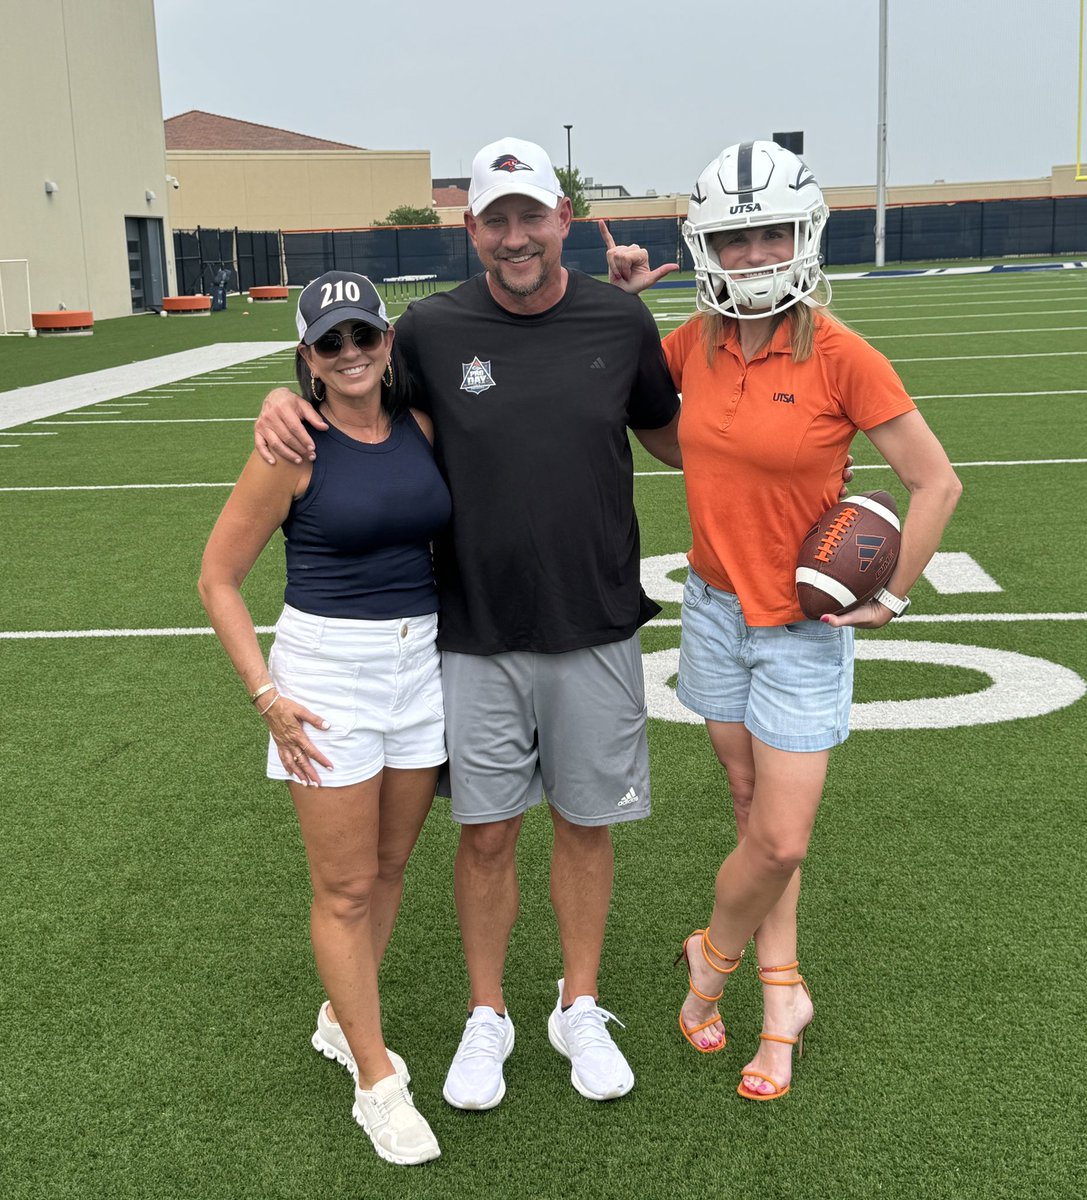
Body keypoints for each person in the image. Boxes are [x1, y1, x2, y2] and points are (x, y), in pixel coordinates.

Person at [254, 137, 684, 1109]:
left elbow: (670, 434)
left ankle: (578, 1005)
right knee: (485, 837)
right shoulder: (432, 332)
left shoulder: (619, 316)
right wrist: (280, 397)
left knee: (584, 827)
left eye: (532, 214)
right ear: (472, 231)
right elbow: (350, 393)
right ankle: (485, 1016)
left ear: (562, 220)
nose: (516, 235)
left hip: (598, 624)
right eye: (497, 219)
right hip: (474, 634)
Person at [604, 140, 962, 1100]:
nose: (754, 254)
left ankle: (711, 957)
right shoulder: (693, 343)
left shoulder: (842, 355)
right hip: (715, 610)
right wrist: (631, 305)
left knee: (781, 839)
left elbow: (935, 481)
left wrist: (890, 591)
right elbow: (650, 417)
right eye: (733, 237)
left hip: (800, 627)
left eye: (768, 234)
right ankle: (780, 997)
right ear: (705, 246)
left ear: (801, 236)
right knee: (747, 809)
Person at [199, 272, 451, 1164]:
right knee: (343, 887)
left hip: (420, 668)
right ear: (306, 359)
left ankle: (344, 1019)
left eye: (364, 337)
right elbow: (216, 578)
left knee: (388, 868)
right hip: (327, 675)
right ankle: (376, 1081)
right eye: (330, 343)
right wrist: (266, 695)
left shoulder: (420, 427)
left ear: (387, 343)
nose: (350, 355)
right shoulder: (290, 447)